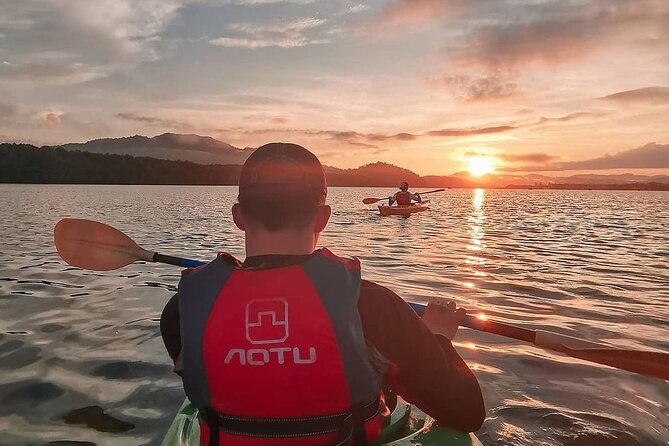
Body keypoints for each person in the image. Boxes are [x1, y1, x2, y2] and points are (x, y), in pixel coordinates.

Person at [160, 143, 485, 446]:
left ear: (238, 217)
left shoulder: (183, 310)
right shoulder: (371, 306)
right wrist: (438, 337)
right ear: (323, 218)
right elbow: (468, 412)